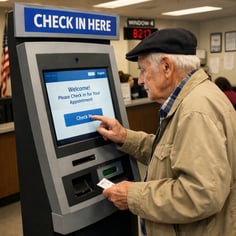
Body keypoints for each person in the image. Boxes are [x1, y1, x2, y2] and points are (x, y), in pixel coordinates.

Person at [92, 28, 236, 236]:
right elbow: (173, 153)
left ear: (167, 67)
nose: (140, 80)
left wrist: (133, 195)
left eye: (143, 70)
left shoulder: (195, 111)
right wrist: (125, 137)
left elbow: (201, 194)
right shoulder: (200, 96)